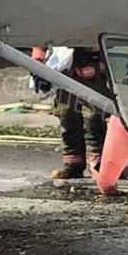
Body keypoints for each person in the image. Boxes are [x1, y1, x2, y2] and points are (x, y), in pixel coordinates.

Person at [32, 46, 110, 180]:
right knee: (67, 117)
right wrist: (37, 66)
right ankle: (73, 165)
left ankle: (99, 164)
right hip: (65, 78)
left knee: (94, 120)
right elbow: (41, 41)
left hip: (93, 77)